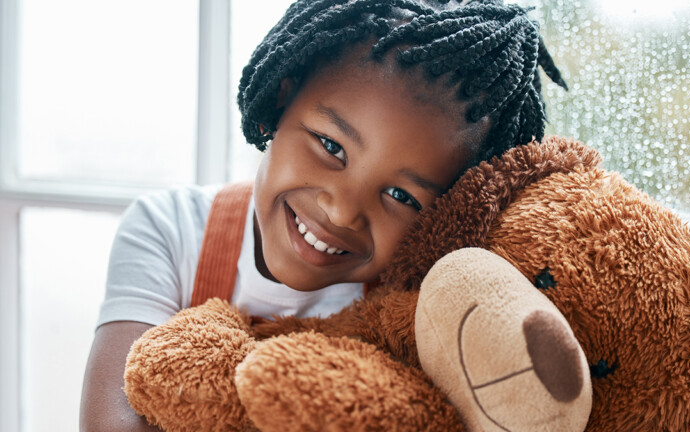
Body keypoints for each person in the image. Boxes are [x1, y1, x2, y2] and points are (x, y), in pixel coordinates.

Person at [80, 0, 567, 430]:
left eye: (402, 195)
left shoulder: (421, 307)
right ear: (281, 98)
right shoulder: (170, 230)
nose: (342, 209)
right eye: (331, 146)